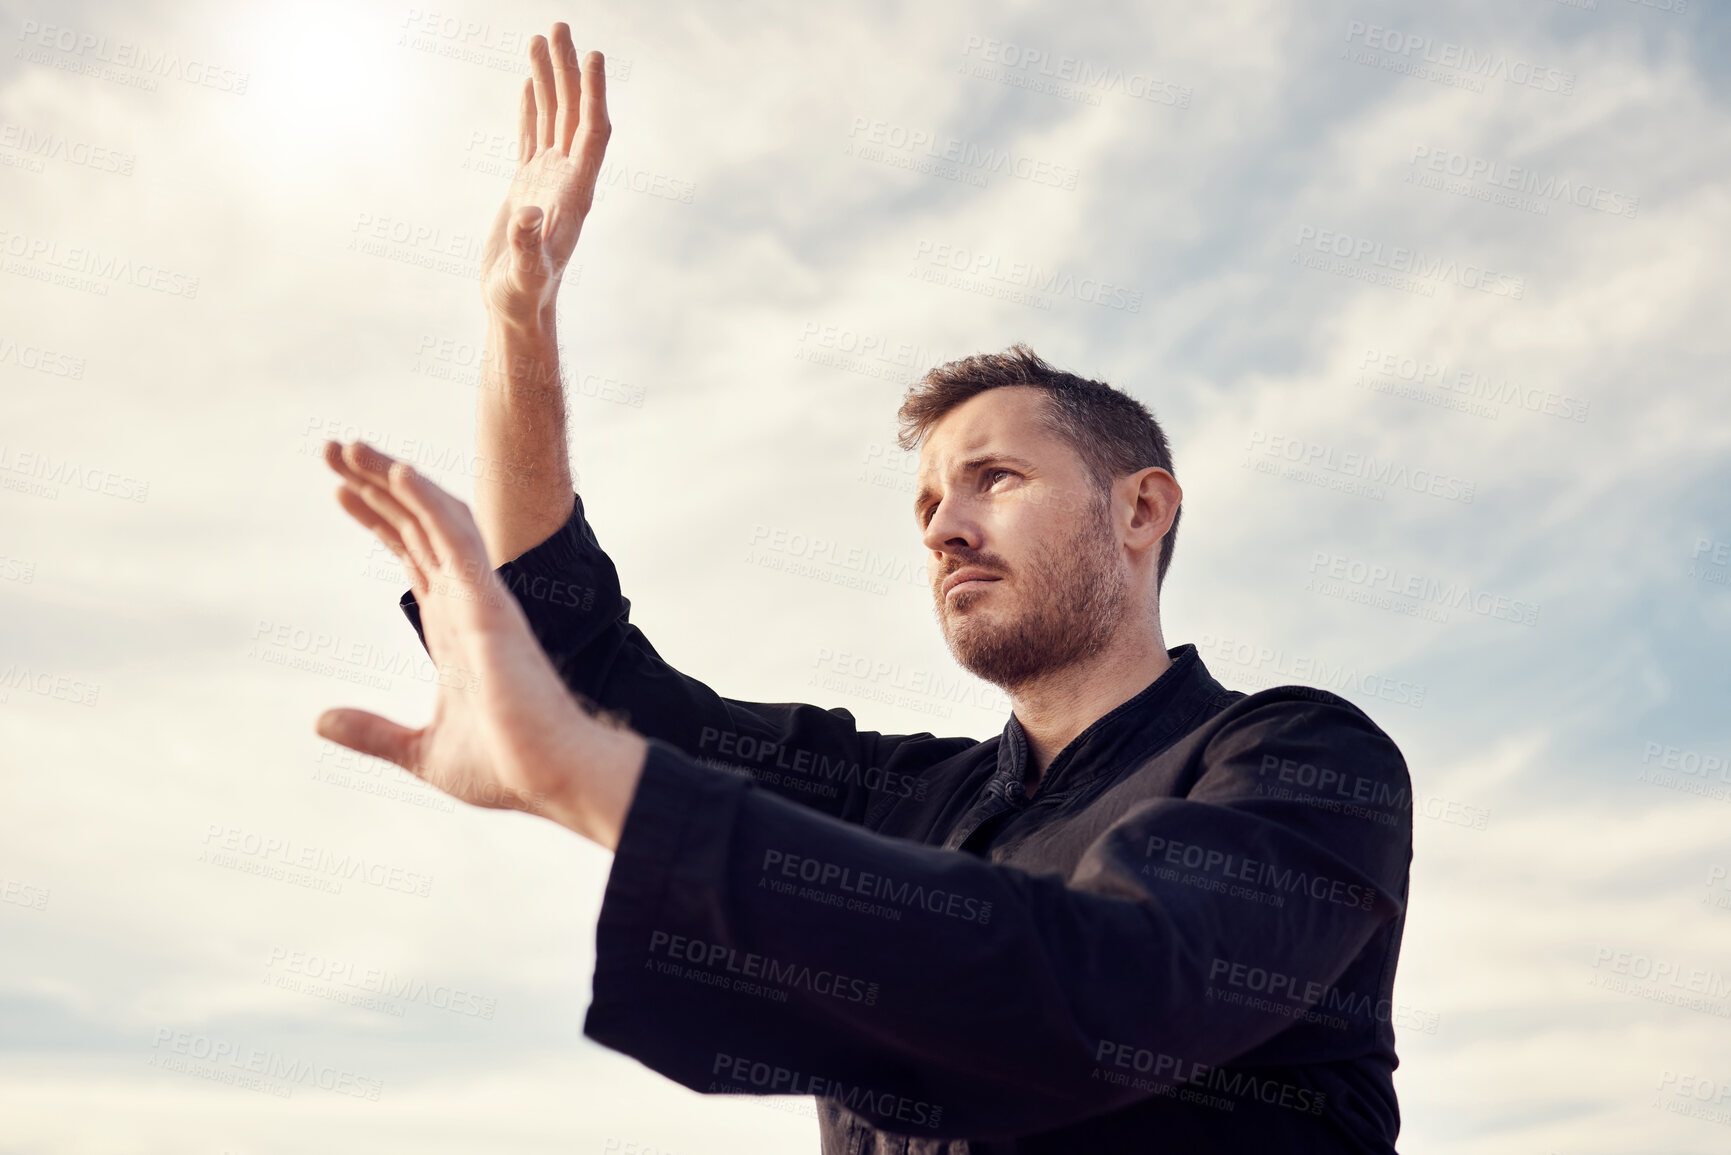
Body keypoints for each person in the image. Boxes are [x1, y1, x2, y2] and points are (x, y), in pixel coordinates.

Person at [316, 22, 1413, 1153]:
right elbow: (574, 675)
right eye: (928, 503)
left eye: (996, 478)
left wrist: (595, 777)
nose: (945, 527)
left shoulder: (1303, 764)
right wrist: (515, 319)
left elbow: (1109, 989)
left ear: (1140, 510)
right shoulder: (897, 801)